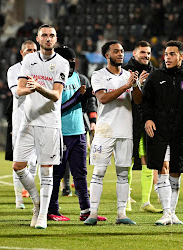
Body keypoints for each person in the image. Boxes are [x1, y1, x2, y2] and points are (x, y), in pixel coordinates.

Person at [12, 24, 69, 229]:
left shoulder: (62, 63)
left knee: (46, 171)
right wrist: (30, 89)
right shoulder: (29, 60)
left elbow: (56, 95)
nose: (48, 38)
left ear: (55, 39)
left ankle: (43, 215)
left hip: (49, 124)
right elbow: (19, 90)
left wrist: (37, 87)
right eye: (44, 35)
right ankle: (37, 201)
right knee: (18, 166)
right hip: (28, 121)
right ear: (38, 39)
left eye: (51, 35)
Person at [140, 40, 183, 225]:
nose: (167, 57)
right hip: (158, 131)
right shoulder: (155, 76)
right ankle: (166, 213)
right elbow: (145, 102)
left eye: (172, 54)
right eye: (166, 54)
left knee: (176, 171)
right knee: (162, 168)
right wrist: (148, 119)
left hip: (181, 132)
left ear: (181, 56)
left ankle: (172, 213)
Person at [84, 40, 141, 225]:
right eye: (116, 51)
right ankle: (93, 214)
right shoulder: (98, 75)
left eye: (122, 51)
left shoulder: (129, 75)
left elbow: (138, 101)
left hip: (125, 131)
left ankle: (121, 214)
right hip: (104, 131)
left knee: (123, 174)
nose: (120, 54)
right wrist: (125, 86)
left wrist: (137, 85)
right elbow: (102, 98)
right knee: (99, 172)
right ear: (107, 55)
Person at [47, 46, 106, 222]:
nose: (71, 64)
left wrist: (92, 118)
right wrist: (77, 99)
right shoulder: (53, 80)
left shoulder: (81, 78)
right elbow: (54, 110)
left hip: (79, 131)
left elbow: (90, 104)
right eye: (68, 61)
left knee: (81, 173)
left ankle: (86, 210)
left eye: (73, 61)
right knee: (57, 174)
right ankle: (52, 210)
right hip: (59, 132)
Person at [123, 40, 162, 213]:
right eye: (143, 53)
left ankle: (146, 202)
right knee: (128, 160)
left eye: (148, 53)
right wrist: (137, 83)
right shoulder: (124, 71)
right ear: (134, 53)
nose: (146, 56)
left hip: (147, 121)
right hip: (129, 121)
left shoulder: (154, 72)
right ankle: (126, 201)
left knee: (147, 159)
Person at [7, 40, 38, 209]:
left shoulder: (42, 68)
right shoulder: (14, 70)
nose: (31, 52)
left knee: (34, 162)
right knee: (19, 160)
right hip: (20, 121)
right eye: (28, 50)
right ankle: (19, 198)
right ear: (22, 52)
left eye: (34, 50)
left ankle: (33, 199)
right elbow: (16, 93)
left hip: (39, 119)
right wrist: (37, 87)